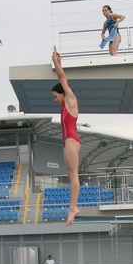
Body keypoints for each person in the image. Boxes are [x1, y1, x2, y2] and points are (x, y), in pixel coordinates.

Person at [51, 46, 81, 226]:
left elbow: (62, 78)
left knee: (73, 174)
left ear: (63, 93)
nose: (55, 100)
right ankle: (72, 207)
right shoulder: (65, 105)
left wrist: (55, 62)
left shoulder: (71, 99)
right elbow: (61, 79)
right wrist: (59, 63)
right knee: (70, 175)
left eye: (56, 96)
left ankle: (73, 207)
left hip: (71, 139)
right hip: (67, 141)